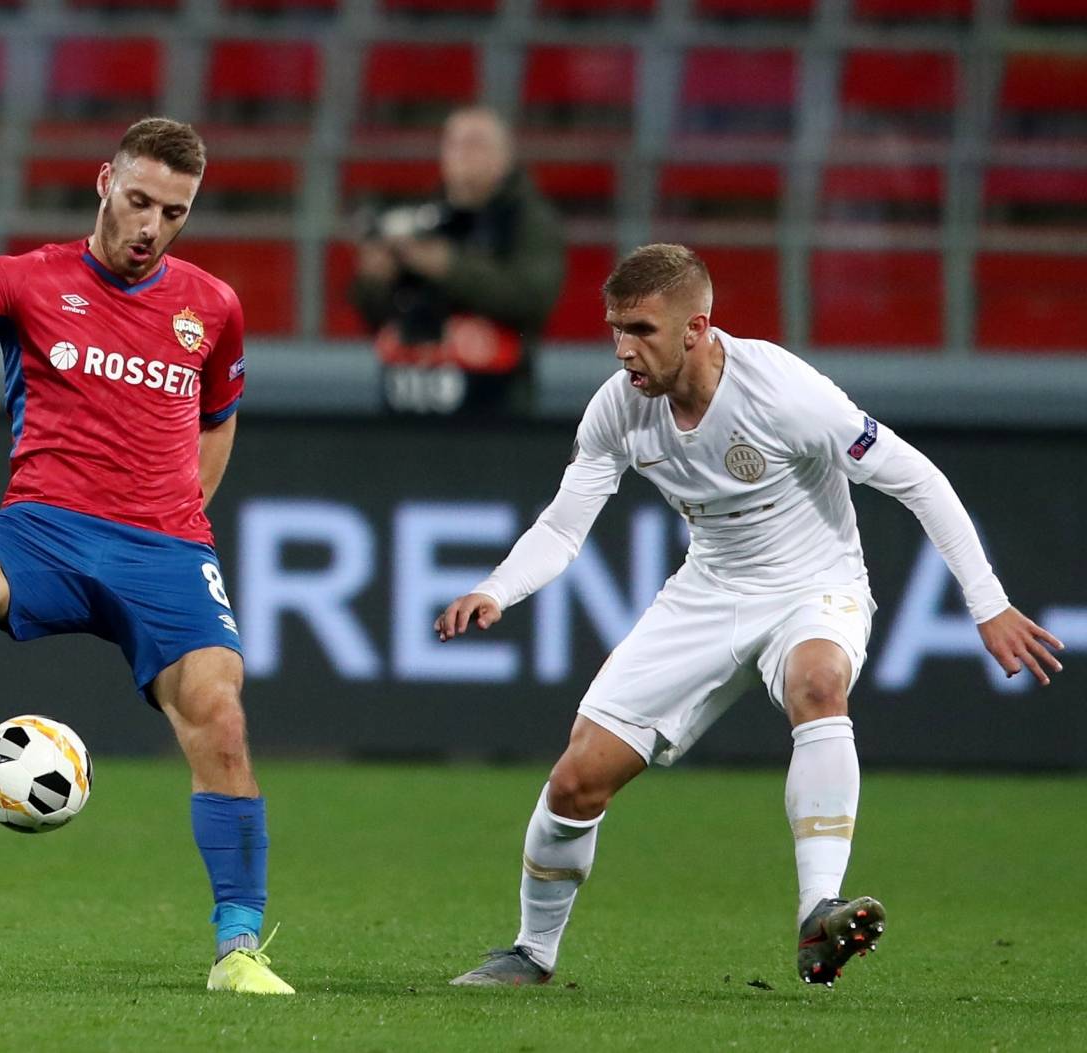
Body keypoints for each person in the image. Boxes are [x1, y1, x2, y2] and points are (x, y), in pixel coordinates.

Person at [439, 244, 1063, 989]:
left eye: (641, 329)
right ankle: (531, 953)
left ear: (698, 327)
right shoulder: (619, 406)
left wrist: (987, 603)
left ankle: (818, 911)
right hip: (708, 590)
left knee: (819, 683)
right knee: (577, 781)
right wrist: (498, 588)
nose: (623, 349)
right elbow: (564, 525)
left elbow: (919, 479)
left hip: (815, 582)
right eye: (615, 329)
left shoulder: (785, 393)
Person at [0, 117, 294, 996]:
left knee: (220, 721)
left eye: (174, 212)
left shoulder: (212, 307)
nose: (152, 226)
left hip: (163, 546)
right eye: (140, 200)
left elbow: (217, 417)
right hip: (45, 529)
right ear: (105, 180)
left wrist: (186, 512)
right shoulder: (29, 280)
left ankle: (239, 948)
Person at [350, 106, 562, 417]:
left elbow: (532, 298)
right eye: (453, 143)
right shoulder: (421, 218)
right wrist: (374, 278)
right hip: (411, 397)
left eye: (475, 143)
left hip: (494, 401)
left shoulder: (528, 220)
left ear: (504, 157)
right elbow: (374, 315)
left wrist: (449, 267)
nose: (462, 153)